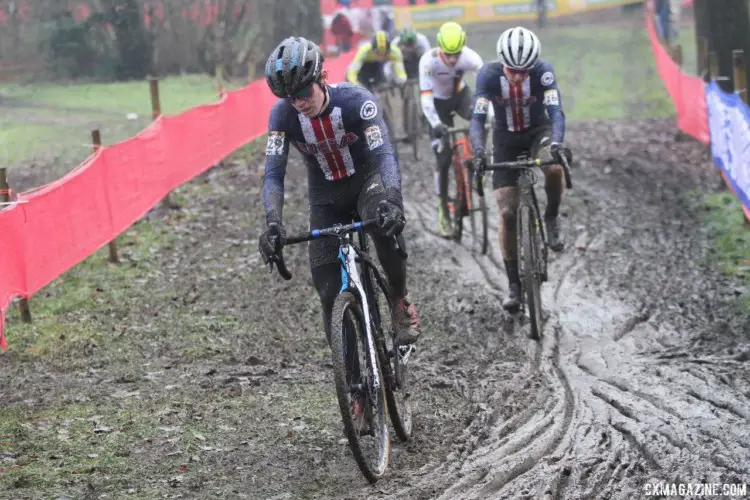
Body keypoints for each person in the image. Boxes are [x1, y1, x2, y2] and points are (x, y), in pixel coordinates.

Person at [260, 36, 421, 358]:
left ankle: (399, 301)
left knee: (382, 226)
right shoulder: (282, 116)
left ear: (322, 77)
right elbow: (273, 173)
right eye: (290, 98)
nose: (299, 103)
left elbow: (385, 154)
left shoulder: (356, 101)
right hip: (325, 197)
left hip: (367, 182)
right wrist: (273, 222)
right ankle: (352, 384)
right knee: (329, 292)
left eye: (304, 92)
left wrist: (392, 199)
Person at [469, 26, 568, 311]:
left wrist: (558, 142)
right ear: (502, 63)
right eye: (512, 70)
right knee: (507, 212)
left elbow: (556, 112)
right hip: (505, 137)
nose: (518, 76)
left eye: (525, 71)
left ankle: (550, 217)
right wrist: (478, 151)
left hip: (539, 131)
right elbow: (477, 119)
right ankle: (513, 284)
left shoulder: (543, 71)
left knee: (554, 167)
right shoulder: (487, 75)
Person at [418, 21, 484, 238]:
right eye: (449, 54)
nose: (454, 59)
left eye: (457, 54)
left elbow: (485, 87)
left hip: (460, 97)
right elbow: (426, 100)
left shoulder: (470, 57)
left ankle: (478, 158)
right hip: (436, 105)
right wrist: (436, 124)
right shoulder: (428, 62)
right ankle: (443, 209)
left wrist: (490, 115)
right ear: (440, 48)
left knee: (483, 119)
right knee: (443, 159)